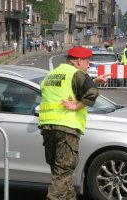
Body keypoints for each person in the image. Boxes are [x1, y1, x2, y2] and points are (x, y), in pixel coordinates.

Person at [38, 46, 110, 200]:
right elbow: (92, 93)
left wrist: (93, 81)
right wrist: (76, 106)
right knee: (62, 175)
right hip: (67, 129)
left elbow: (52, 92)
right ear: (78, 61)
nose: (89, 64)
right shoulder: (77, 74)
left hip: (48, 128)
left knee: (62, 174)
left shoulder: (52, 74)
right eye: (87, 60)